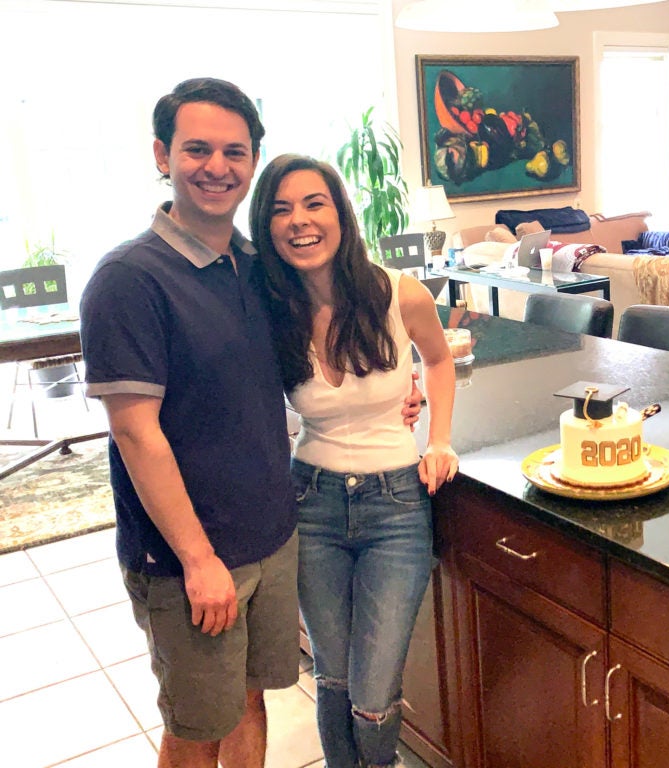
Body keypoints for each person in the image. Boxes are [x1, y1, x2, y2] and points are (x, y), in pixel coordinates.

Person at [78, 79, 420, 768]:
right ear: (161, 154)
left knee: (249, 702)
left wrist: (399, 390)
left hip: (275, 532)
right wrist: (198, 559)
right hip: (190, 559)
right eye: (196, 148)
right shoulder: (129, 278)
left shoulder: (259, 271)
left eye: (234, 151)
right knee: (197, 726)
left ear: (252, 162)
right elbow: (137, 433)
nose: (216, 166)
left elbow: (327, 338)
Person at [248, 154, 458, 768]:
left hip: (396, 507)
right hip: (310, 502)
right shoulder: (270, 312)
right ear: (267, 228)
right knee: (333, 679)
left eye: (315, 203)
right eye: (282, 209)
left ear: (341, 213)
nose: (300, 221)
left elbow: (439, 361)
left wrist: (439, 438)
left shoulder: (399, 293)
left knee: (372, 692)